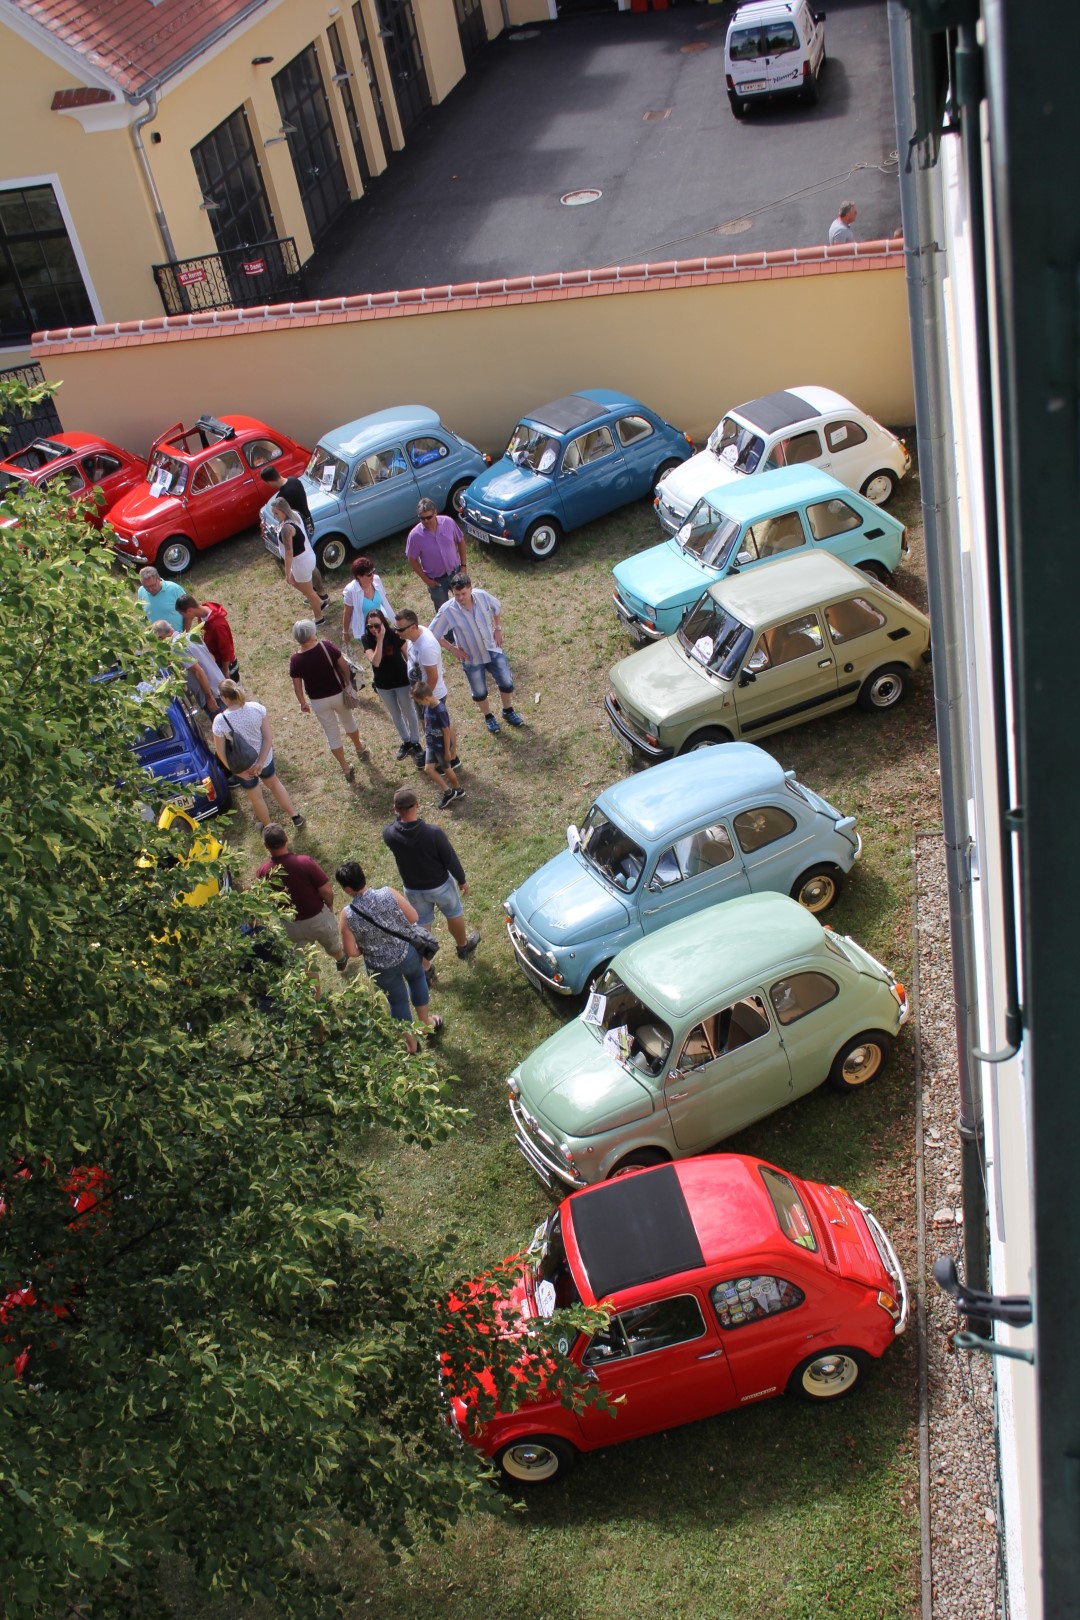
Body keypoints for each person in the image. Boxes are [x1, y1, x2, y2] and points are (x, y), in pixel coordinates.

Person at [336, 860, 442, 1052]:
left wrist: (365, 949)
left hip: (380, 967)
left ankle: (411, 1044)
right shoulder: (388, 892)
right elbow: (413, 917)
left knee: (397, 1002)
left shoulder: (347, 915)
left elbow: (350, 951)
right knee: (417, 980)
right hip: (407, 953)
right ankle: (426, 1024)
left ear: (347, 889)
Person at [383, 787, 480, 958]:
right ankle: (463, 947)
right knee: (454, 914)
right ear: (418, 804)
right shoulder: (433, 833)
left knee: (422, 924)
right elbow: (450, 859)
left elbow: (394, 824)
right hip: (440, 885)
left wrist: (399, 813)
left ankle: (426, 967)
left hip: (413, 889)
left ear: (395, 809)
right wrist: (462, 879)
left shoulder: (389, 835)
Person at [430, 573, 524, 734]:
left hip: (492, 648)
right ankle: (489, 716)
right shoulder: (448, 610)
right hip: (471, 657)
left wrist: (498, 628)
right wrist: (453, 649)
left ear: (470, 589)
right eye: (456, 594)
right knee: (479, 692)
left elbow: (497, 608)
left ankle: (508, 710)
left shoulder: (482, 596)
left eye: (463, 593)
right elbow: (433, 633)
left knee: (506, 682)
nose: (460, 598)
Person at [212, 678, 305, 830]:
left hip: (243, 766)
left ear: (223, 697)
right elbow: (268, 737)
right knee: (274, 784)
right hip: (264, 758)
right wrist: (261, 762)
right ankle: (295, 817)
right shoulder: (256, 708)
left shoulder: (220, 721)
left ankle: (269, 828)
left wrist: (237, 772)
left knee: (256, 797)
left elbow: (220, 752)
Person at [257, 823, 348, 970]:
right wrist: (329, 905)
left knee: (303, 959)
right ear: (286, 838)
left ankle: (312, 986)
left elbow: (264, 898)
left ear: (266, 846)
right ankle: (340, 959)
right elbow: (326, 890)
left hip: (290, 924)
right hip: (317, 917)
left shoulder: (263, 872)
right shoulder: (304, 862)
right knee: (333, 945)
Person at [289, 620, 367, 782]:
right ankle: (359, 747)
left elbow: (297, 685)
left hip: (318, 701)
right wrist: (347, 682)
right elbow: (343, 664)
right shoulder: (325, 646)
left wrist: (302, 702)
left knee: (331, 733)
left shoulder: (296, 659)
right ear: (311, 633)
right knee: (348, 721)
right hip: (338, 694)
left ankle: (345, 768)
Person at [259, 465, 329, 607]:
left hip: (298, 531)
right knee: (309, 562)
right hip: (308, 523)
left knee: (303, 564)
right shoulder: (294, 481)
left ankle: (317, 596)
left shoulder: (282, 497)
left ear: (269, 482)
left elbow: (285, 519)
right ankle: (317, 593)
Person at [361, 609, 421, 762]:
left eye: (377, 625)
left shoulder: (395, 635)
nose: (374, 629)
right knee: (395, 714)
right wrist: (379, 640)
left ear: (383, 623)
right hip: (383, 684)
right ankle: (406, 741)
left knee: (409, 712)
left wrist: (415, 678)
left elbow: (408, 655)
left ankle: (415, 742)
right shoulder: (367, 638)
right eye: (370, 626)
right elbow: (375, 661)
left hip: (402, 681)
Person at [151, 619, 225, 716]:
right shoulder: (191, 636)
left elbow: (198, 671)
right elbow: (211, 657)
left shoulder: (176, 648)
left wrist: (209, 696)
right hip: (222, 684)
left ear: (161, 638)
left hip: (213, 694)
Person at [405, 497, 467, 611]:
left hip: (456, 572)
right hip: (436, 581)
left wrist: (463, 566)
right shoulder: (415, 536)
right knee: (444, 612)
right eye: (422, 518)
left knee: (465, 605)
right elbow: (412, 559)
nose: (426, 521)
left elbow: (460, 541)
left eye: (429, 517)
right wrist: (426, 580)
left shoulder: (448, 522)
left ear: (435, 512)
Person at [411, 681, 463, 807]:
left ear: (426, 698)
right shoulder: (426, 706)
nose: (419, 704)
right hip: (431, 744)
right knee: (428, 769)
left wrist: (447, 751)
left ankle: (458, 789)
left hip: (440, 746)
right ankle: (448, 791)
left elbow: (446, 731)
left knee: (446, 768)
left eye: (419, 702)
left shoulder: (440, 711)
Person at [273, 497, 324, 621]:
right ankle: (320, 602)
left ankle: (319, 617)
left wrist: (287, 571)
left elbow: (289, 552)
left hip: (300, 563)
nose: (275, 516)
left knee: (309, 593)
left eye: (276, 513)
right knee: (298, 584)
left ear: (284, 511)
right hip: (308, 556)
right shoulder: (295, 515)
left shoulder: (286, 529)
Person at [175, 594, 239, 680]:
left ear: (189, 610)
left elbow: (226, 650)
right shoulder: (202, 615)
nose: (183, 618)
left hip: (226, 666)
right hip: (215, 662)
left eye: (183, 614)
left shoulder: (217, 625)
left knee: (235, 692)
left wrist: (225, 671)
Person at [342, 557, 395, 651]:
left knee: (390, 650)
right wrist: (345, 632)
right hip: (365, 631)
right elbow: (347, 613)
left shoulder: (377, 580)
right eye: (369, 574)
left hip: (381, 625)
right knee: (376, 656)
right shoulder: (350, 590)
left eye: (373, 571)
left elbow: (385, 599)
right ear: (359, 576)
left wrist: (394, 617)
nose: (373, 575)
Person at [394, 609, 447, 700]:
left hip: (430, 697)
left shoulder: (427, 647)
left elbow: (433, 678)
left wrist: (423, 698)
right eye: (396, 627)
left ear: (412, 628)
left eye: (400, 629)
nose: (396, 632)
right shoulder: (412, 635)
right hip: (419, 693)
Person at [137, 566, 186, 630]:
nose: (150, 589)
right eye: (146, 587)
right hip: (155, 637)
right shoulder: (141, 591)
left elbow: (188, 613)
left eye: (152, 585)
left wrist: (186, 634)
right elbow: (143, 614)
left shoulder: (175, 589)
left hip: (176, 636)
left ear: (158, 578)